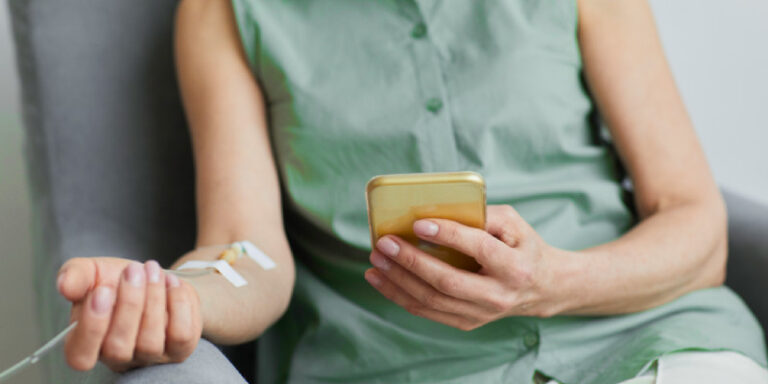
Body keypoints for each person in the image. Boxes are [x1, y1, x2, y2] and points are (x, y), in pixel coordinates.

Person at [55, 0, 768, 383]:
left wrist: (555, 281)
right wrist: (177, 296)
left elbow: (695, 226)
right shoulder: (225, 11)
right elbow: (246, 251)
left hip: (653, 346)